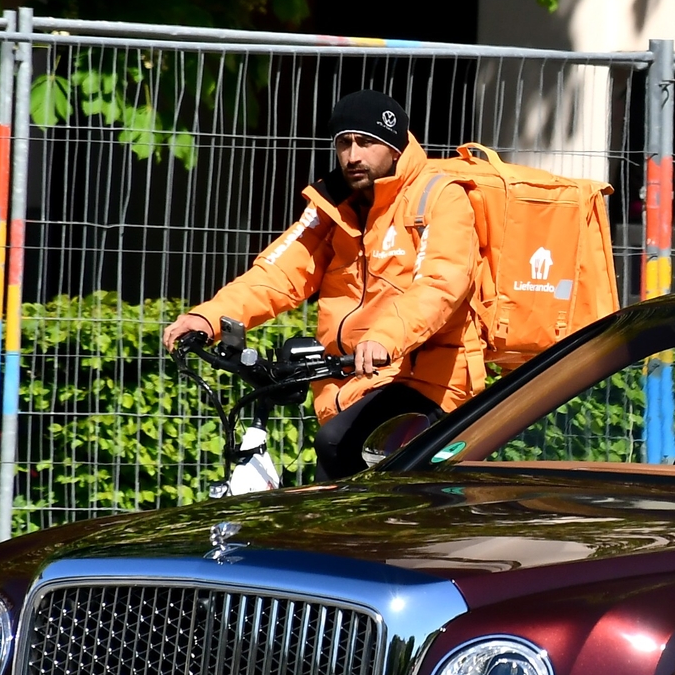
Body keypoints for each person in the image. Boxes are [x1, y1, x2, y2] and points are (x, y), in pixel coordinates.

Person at [161, 90, 483, 479]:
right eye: (343, 143)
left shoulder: (438, 195)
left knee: (338, 447)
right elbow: (279, 272)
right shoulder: (332, 204)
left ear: (395, 148)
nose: (353, 156)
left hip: (427, 382)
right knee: (334, 478)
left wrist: (385, 336)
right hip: (354, 383)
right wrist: (208, 318)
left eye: (366, 143)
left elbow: (442, 282)